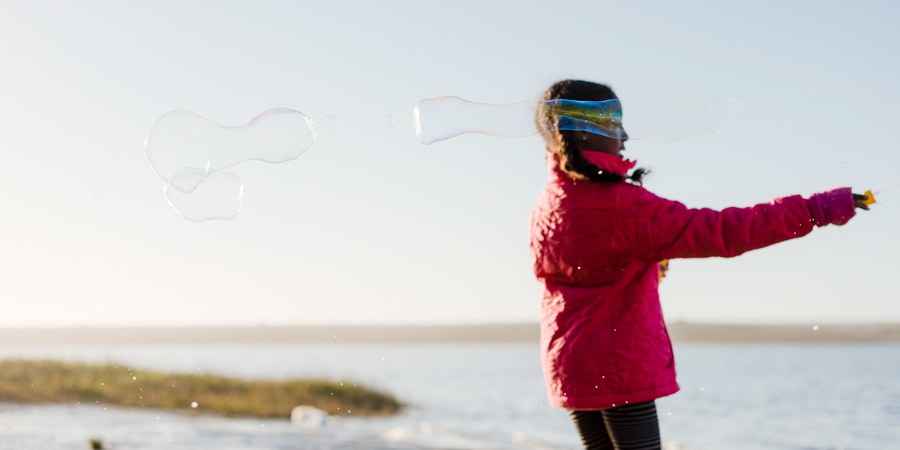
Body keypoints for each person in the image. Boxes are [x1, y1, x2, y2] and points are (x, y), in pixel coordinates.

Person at [528, 79, 868, 450]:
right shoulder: (620, 205)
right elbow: (725, 232)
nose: (624, 137)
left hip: (571, 363)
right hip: (618, 364)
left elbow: (585, 271)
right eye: (613, 124)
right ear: (584, 135)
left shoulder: (551, 200)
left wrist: (647, 270)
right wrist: (817, 209)